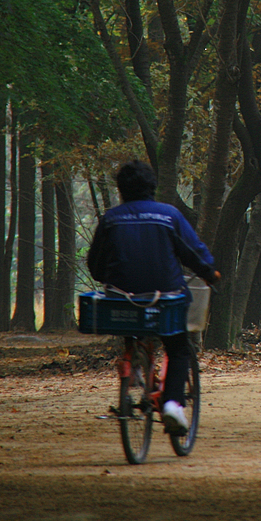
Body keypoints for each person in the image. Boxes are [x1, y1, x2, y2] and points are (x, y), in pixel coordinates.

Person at [86, 159, 219, 435]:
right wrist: (209, 273)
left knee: (130, 325)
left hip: (121, 298)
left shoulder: (110, 219)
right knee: (178, 348)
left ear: (121, 189)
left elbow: (95, 265)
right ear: (152, 187)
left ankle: (132, 367)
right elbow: (192, 252)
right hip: (164, 297)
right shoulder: (168, 216)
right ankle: (172, 404)